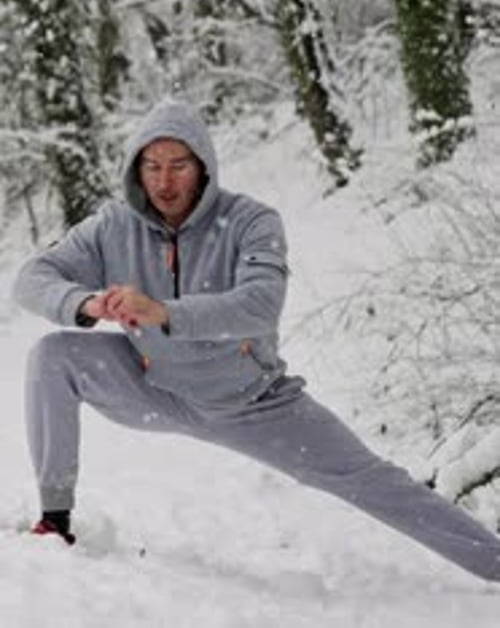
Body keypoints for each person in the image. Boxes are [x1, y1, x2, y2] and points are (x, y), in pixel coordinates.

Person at [13, 98, 500, 579]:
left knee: (373, 480)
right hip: (153, 387)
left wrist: (162, 312)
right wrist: (84, 303)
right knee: (54, 356)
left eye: (178, 165)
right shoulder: (113, 227)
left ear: (203, 166)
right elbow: (31, 278)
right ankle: (54, 521)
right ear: (135, 169)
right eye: (152, 166)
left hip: (254, 405)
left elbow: (259, 305)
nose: (164, 181)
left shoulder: (252, 222)